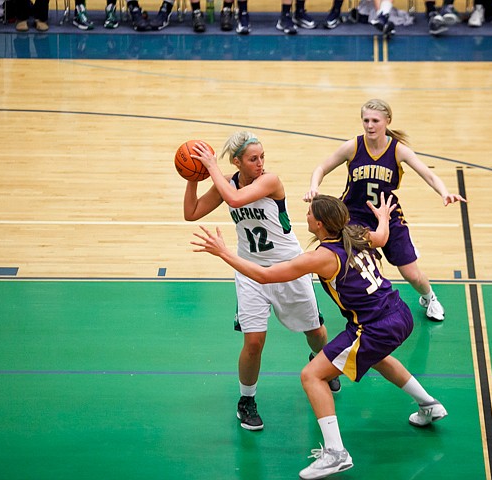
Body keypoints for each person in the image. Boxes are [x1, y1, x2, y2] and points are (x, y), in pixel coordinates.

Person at [192, 194, 448, 480]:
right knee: (379, 358)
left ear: (320, 223)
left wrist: (224, 253)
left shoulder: (322, 257)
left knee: (312, 375)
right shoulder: (357, 233)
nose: (306, 215)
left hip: (373, 326)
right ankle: (429, 405)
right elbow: (383, 236)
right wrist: (384, 217)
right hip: (400, 313)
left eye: (310, 213)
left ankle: (336, 453)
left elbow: (265, 277)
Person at [183, 131, 340, 431]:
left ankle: (321, 360)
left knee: (316, 333)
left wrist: (211, 167)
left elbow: (235, 198)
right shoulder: (226, 182)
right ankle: (246, 400)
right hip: (250, 269)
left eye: (262, 157)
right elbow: (191, 213)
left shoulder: (270, 181)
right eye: (254, 159)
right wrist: (194, 174)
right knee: (253, 342)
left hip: (288, 267)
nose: (261, 163)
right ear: (238, 161)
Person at [304, 99, 466, 322]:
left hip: (387, 216)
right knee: (349, 267)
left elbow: (427, 174)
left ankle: (429, 297)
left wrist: (444, 192)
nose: (370, 126)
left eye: (375, 121)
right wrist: (314, 187)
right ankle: (353, 309)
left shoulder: (399, 151)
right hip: (353, 218)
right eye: (366, 120)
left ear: (387, 121)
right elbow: (321, 167)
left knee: (411, 274)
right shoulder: (353, 146)